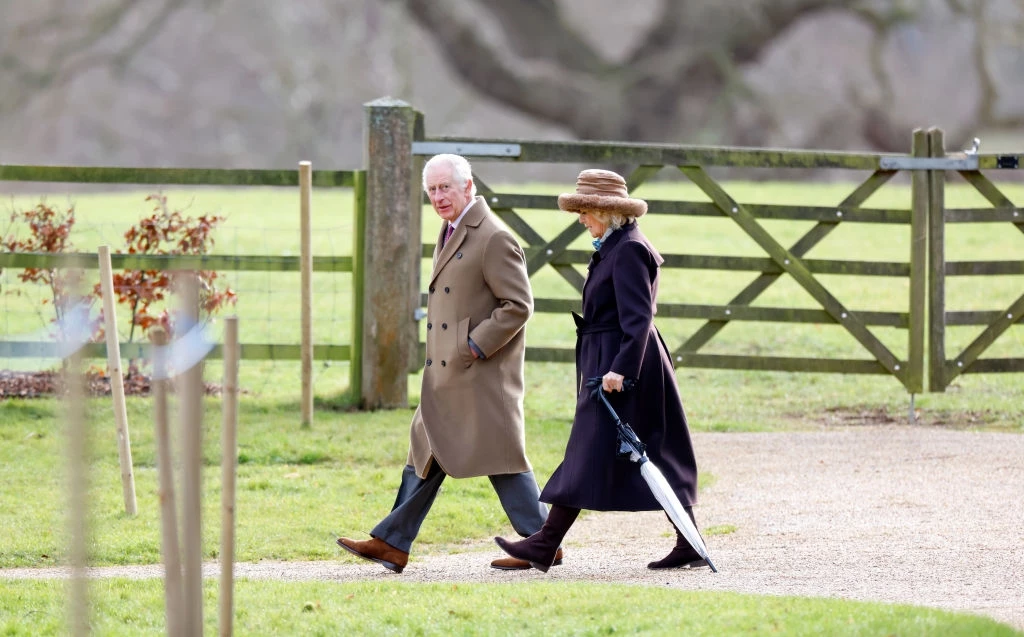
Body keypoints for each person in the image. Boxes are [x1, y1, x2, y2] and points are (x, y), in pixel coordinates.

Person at [337, 153, 559, 573]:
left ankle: (540, 542)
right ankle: (392, 542)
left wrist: (473, 346)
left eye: (445, 188)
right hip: (448, 375)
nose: (438, 197)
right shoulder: (452, 228)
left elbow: (518, 305)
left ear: (468, 186)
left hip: (478, 374)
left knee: (502, 457)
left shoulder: (493, 236)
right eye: (432, 190)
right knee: (425, 449)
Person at [493, 168, 708, 572]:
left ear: (605, 212)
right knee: (611, 451)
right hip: (611, 359)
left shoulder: (628, 250)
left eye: (585, 211)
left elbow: (639, 318)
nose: (580, 220)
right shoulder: (616, 245)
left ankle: (545, 543)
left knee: (609, 450)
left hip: (622, 367)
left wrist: (620, 371)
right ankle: (687, 543)